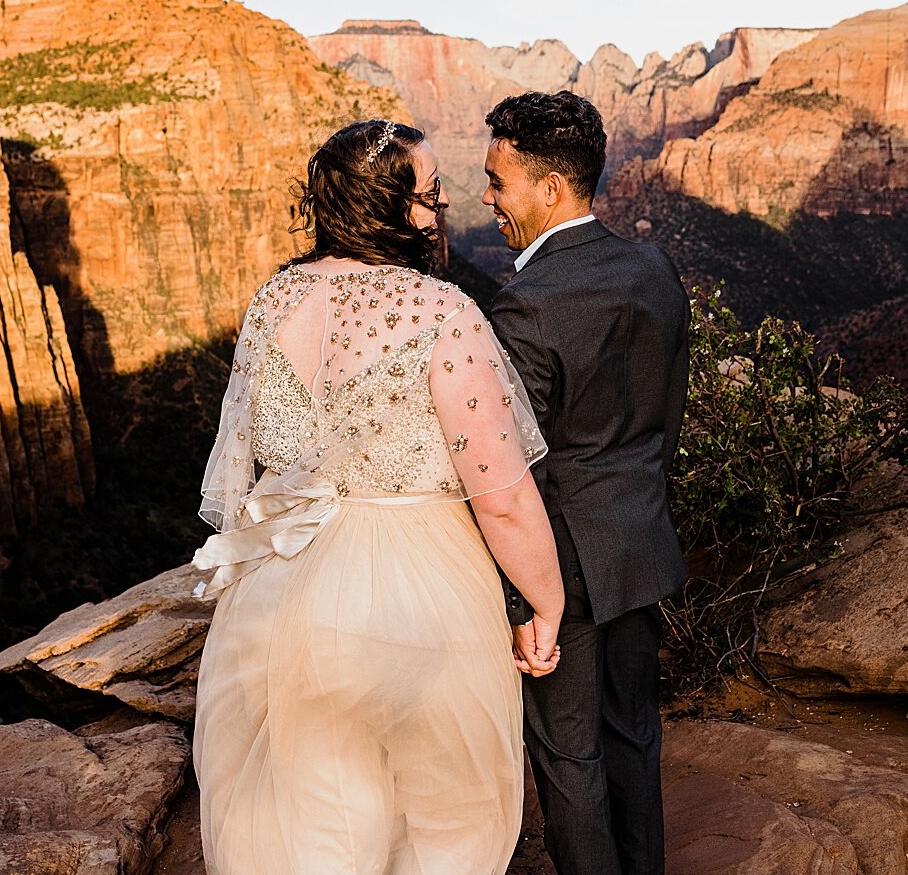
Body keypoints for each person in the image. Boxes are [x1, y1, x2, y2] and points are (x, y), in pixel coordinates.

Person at [190, 118, 565, 875]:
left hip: (284, 588)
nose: (443, 208)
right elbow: (501, 495)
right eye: (432, 195)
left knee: (308, 818)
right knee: (446, 816)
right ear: (393, 210)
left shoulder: (272, 303)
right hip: (422, 593)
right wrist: (544, 602)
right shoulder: (444, 313)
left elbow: (265, 457)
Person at [482, 91, 690, 875]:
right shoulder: (653, 266)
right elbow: (667, 414)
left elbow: (515, 473)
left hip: (560, 568)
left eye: (498, 182)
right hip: (639, 541)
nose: (487, 199)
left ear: (551, 190)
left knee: (569, 759)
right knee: (633, 731)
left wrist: (523, 600)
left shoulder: (524, 306)